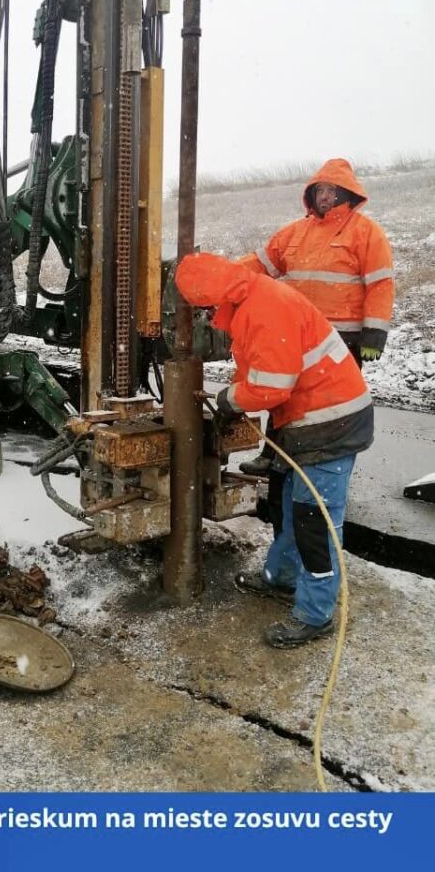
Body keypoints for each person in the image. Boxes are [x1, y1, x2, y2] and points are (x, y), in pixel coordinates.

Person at [175, 252, 374, 648]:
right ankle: (282, 578)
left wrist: (230, 400)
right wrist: (238, 391)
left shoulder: (263, 310)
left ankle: (315, 614)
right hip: (306, 418)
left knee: (313, 522)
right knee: (288, 505)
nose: (205, 317)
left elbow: (271, 387)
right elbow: (256, 366)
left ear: (214, 298)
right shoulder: (250, 299)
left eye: (203, 309)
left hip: (330, 423)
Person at [236, 159, 393, 476]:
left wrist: (374, 334)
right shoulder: (295, 232)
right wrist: (224, 274)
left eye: (331, 190)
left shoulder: (366, 232)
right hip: (297, 334)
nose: (324, 196)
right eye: (320, 190)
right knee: (284, 394)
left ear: (346, 193)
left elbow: (380, 285)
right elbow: (261, 265)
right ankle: (274, 455)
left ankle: (321, 464)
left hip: (340, 338)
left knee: (328, 405)